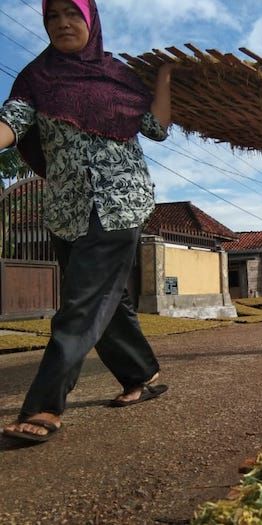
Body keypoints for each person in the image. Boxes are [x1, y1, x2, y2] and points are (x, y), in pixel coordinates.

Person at [0, 0, 173, 443]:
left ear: (91, 20)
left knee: (80, 303)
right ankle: (143, 374)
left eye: (71, 13)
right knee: (107, 302)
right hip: (65, 207)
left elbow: (155, 127)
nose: (61, 23)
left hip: (119, 201)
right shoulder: (36, 77)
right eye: (52, 16)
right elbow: (13, 121)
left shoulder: (118, 74)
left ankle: (44, 405)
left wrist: (165, 80)